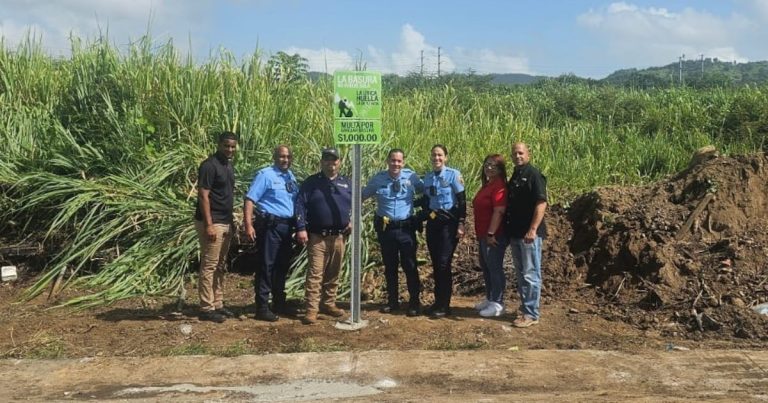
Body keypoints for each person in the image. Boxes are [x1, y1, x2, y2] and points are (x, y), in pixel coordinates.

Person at [362, 149, 424, 316]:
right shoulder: (378, 179)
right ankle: (392, 302)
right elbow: (362, 196)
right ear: (387, 161)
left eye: (399, 161)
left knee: (410, 266)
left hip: (406, 229)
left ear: (403, 162)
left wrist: (424, 214)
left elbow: (427, 192)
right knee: (390, 267)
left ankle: (414, 302)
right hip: (387, 230)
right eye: (393, 160)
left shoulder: (412, 177)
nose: (396, 164)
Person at [294, 147, 351, 325]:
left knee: (334, 273)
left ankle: (328, 304)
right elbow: (300, 204)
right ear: (321, 162)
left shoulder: (346, 183)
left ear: (339, 162)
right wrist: (301, 228)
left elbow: (356, 203)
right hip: (317, 237)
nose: (330, 163)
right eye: (327, 160)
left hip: (339, 237)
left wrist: (352, 220)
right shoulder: (311, 182)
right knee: (315, 274)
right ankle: (311, 310)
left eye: (334, 160)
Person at [244, 145, 299, 322]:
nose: (285, 160)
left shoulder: (290, 176)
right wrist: (248, 225)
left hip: (286, 227)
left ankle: (279, 303)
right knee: (266, 266)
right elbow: (250, 200)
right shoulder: (265, 175)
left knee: (282, 266)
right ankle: (262, 307)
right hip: (270, 226)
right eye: (282, 156)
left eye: (288, 157)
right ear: (275, 157)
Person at [194, 131, 238, 323]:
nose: (229, 149)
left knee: (221, 264)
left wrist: (232, 222)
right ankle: (206, 307)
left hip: (225, 220)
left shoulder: (228, 165)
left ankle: (217, 302)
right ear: (219, 145)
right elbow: (203, 195)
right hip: (213, 221)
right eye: (226, 145)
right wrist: (209, 224)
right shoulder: (209, 165)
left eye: (233, 146)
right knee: (210, 264)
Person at [505, 143, 548, 328]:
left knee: (531, 274)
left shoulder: (534, 175)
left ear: (528, 154)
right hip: (515, 233)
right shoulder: (515, 175)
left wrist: (533, 229)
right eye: (514, 153)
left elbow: (541, 203)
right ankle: (525, 309)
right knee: (521, 274)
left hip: (529, 234)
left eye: (521, 153)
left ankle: (531, 314)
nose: (517, 156)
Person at [421, 144, 466, 318]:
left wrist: (461, 223)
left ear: (445, 157)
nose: (437, 158)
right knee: (435, 264)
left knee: (443, 264)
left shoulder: (453, 175)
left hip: (449, 225)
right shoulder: (428, 177)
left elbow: (462, 201)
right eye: (434, 155)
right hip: (433, 225)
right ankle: (438, 302)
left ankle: (445, 305)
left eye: (440, 155)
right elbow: (426, 201)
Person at [472, 154, 509, 317]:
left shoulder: (499, 186)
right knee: (486, 266)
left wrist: (491, 233)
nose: (489, 168)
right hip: (482, 234)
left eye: (493, 166)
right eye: (487, 164)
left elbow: (499, 211)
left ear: (500, 169)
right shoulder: (488, 185)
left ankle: (498, 303)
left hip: (494, 235)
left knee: (494, 267)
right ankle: (490, 298)